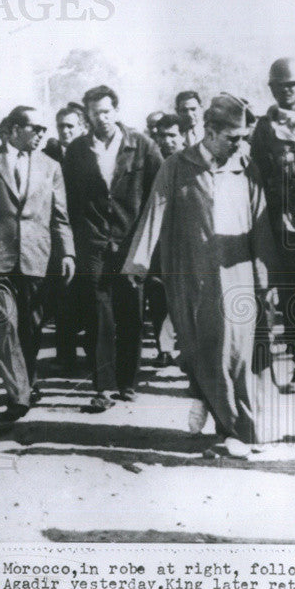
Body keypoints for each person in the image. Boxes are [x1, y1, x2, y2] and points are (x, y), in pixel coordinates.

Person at [124, 94, 280, 456]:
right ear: (209, 132)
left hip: (238, 273)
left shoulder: (246, 167)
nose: (239, 144)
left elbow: (260, 226)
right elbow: (154, 212)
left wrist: (265, 275)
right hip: (192, 277)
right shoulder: (177, 166)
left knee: (239, 352)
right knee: (208, 350)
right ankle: (229, 428)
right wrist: (138, 264)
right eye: (232, 137)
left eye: (242, 137)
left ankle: (233, 422)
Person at [0, 106, 76, 422]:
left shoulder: (51, 166)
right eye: (35, 128)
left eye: (43, 130)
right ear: (15, 129)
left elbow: (60, 217)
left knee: (31, 328)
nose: (41, 134)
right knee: (3, 324)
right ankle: (18, 396)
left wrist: (68, 253)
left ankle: (26, 382)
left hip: (37, 255)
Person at [63, 85, 163, 412]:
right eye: (95, 114)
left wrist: (148, 243)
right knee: (97, 314)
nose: (102, 119)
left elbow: (158, 196)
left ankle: (128, 381)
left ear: (116, 111)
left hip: (131, 242)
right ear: (88, 116)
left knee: (131, 312)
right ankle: (103, 386)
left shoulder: (142, 146)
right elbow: (70, 199)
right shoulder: (77, 150)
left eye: (107, 112)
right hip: (92, 244)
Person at [250, 57, 295, 392]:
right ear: (272, 89)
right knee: (291, 297)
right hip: (281, 222)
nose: (287, 91)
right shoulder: (263, 128)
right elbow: (257, 177)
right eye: (280, 86)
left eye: (292, 85)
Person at [44, 103, 88, 371]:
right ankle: (66, 355)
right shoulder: (48, 157)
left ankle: (93, 357)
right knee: (62, 297)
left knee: (89, 298)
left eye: (71, 126)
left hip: (86, 234)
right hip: (58, 236)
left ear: (82, 127)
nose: (65, 131)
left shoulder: (91, 154)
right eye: (61, 126)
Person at [144, 114, 183, 366]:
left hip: (187, 238)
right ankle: (164, 348)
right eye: (162, 136)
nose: (167, 141)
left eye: (172, 135)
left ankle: (188, 347)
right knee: (158, 293)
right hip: (159, 238)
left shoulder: (191, 162)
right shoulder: (152, 162)